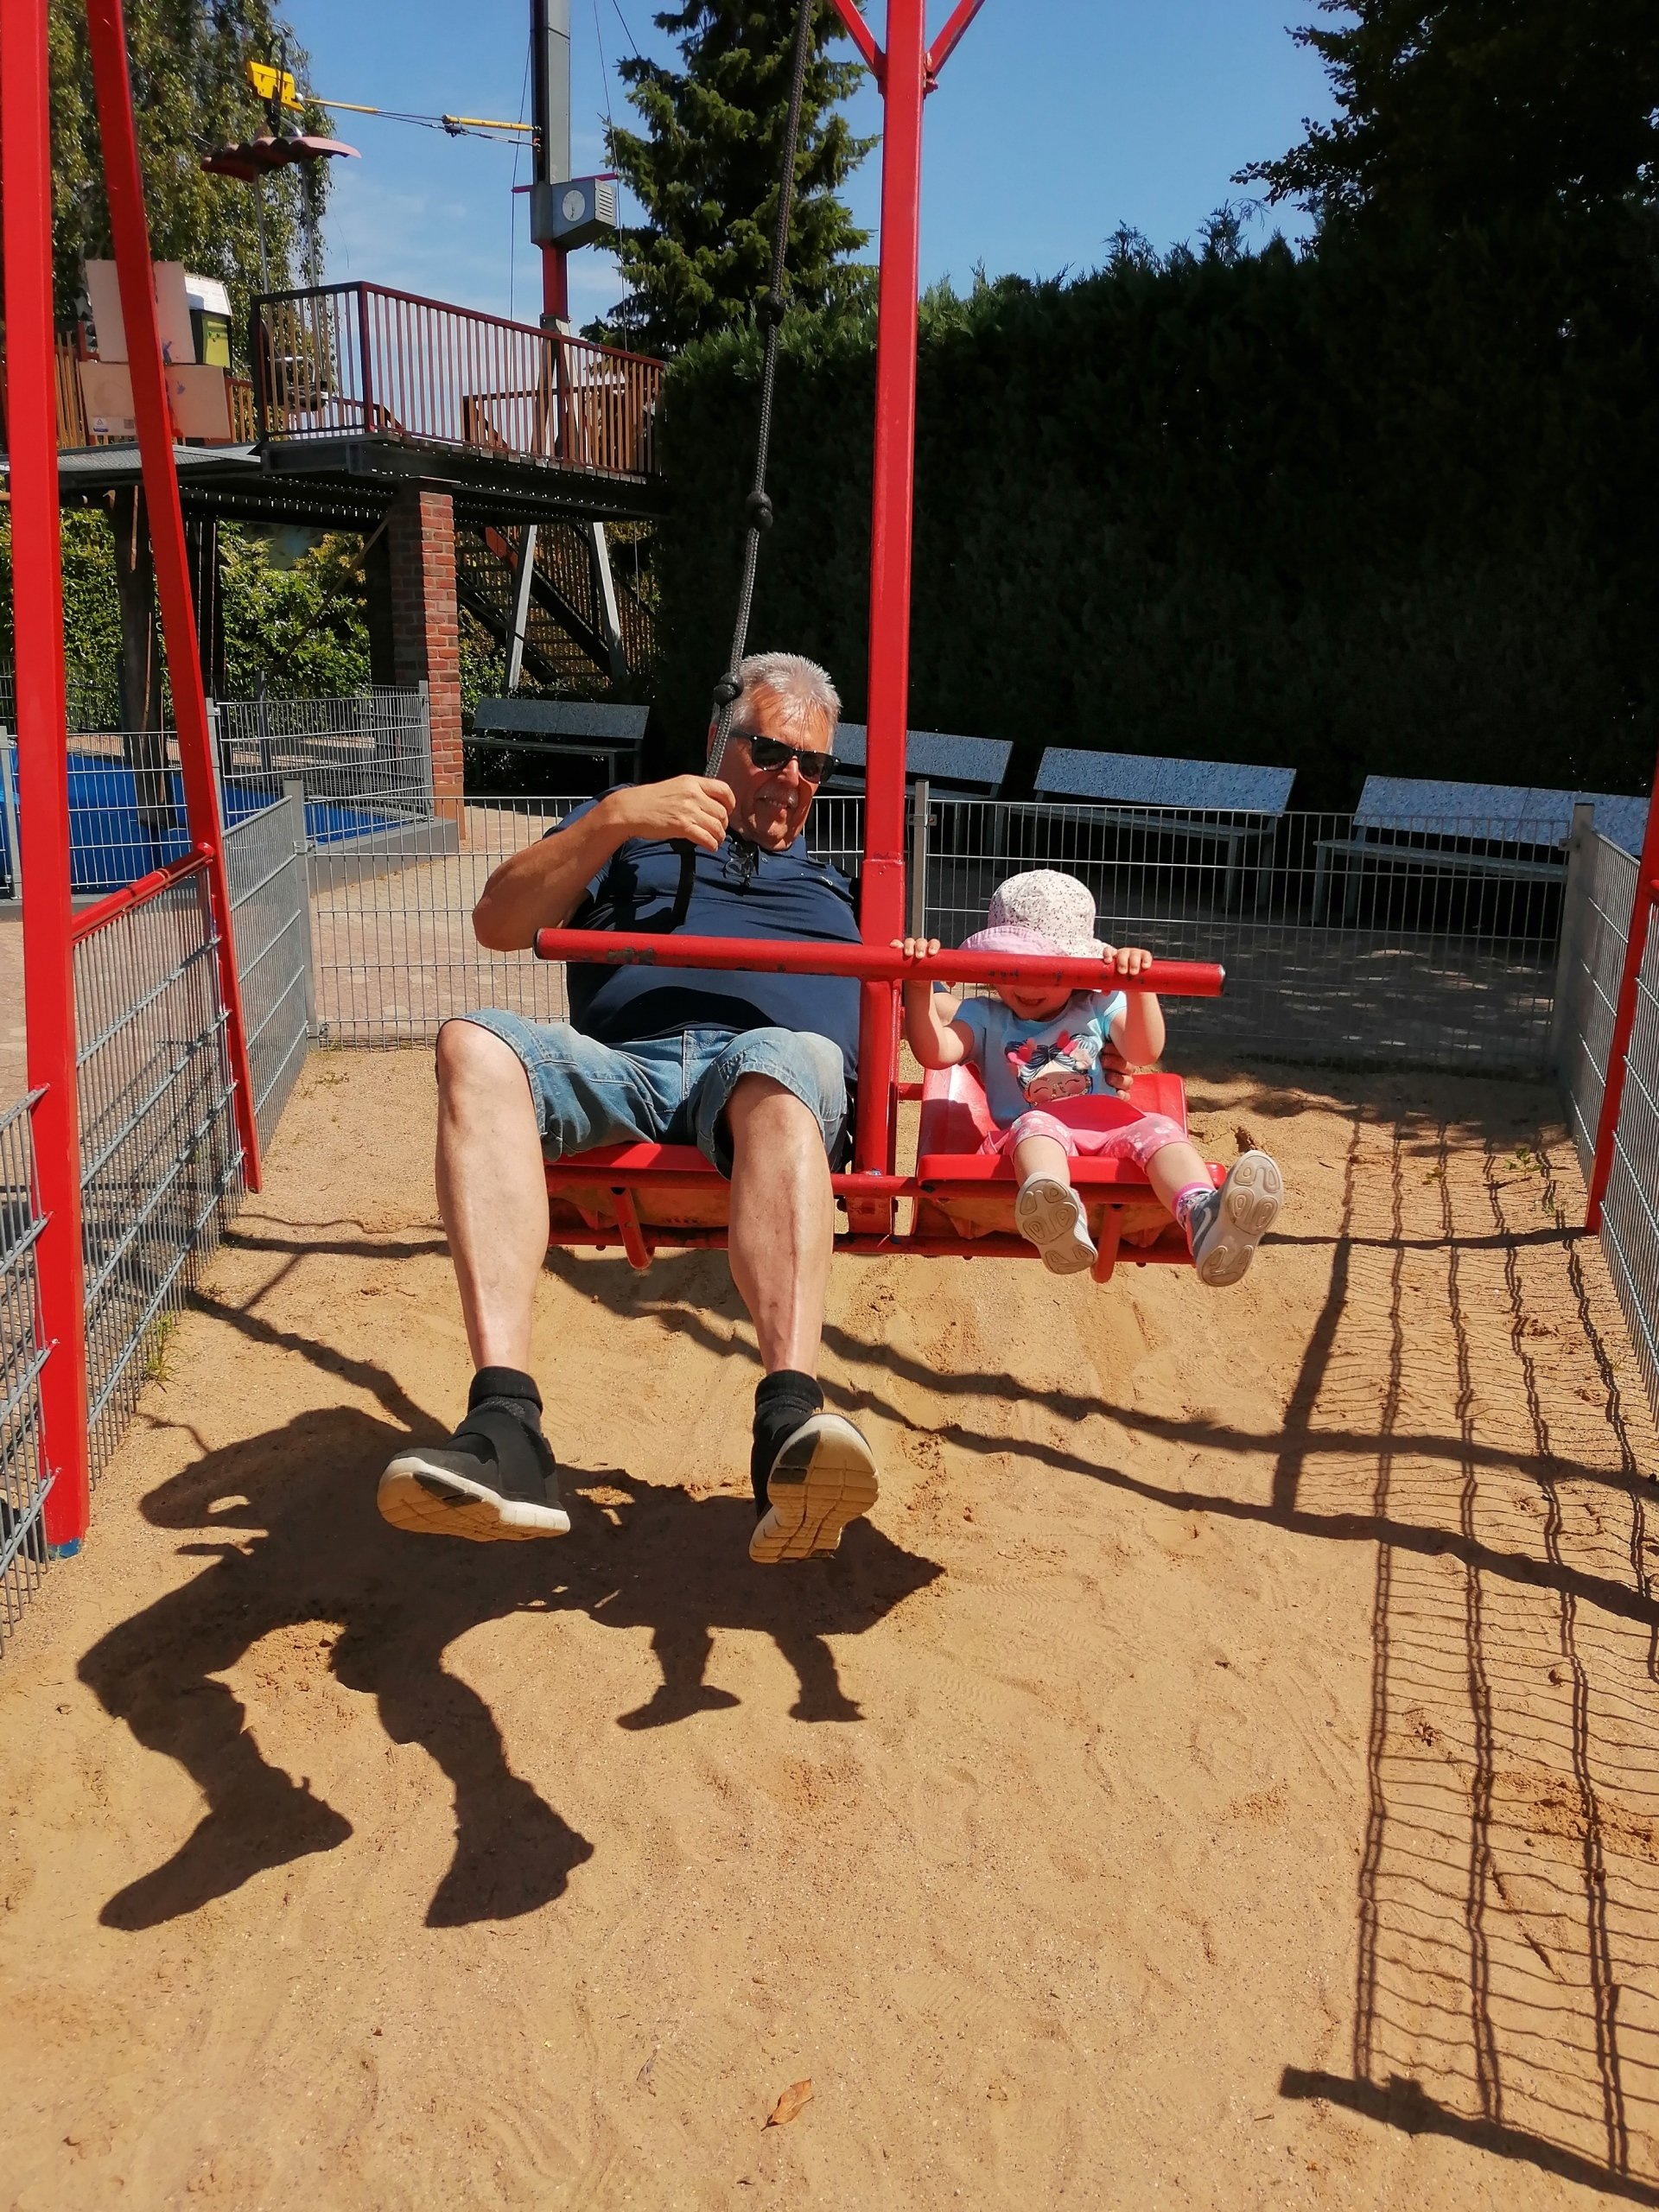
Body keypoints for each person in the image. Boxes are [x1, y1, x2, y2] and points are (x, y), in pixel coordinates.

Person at [377, 652, 879, 1566]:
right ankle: (505, 1425)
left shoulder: (841, 885)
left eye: (817, 765)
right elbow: (498, 922)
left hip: (767, 1082)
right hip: (625, 1068)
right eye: (773, 752)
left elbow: (931, 1018)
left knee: (782, 1060)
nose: (795, 779)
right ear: (721, 744)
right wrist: (614, 816)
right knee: (474, 1046)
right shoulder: (632, 838)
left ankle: (789, 1425)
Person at [895, 868, 1284, 1283]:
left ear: (1078, 966)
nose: (1028, 985)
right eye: (1012, 969)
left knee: (1161, 1130)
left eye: (1049, 971)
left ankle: (1201, 1213)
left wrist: (1139, 989)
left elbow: (1143, 1051)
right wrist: (919, 990)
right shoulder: (984, 1017)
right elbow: (936, 1053)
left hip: (1111, 1133)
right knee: (1036, 1124)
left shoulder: (1099, 1005)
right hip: (1029, 1139)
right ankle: (1058, 1210)